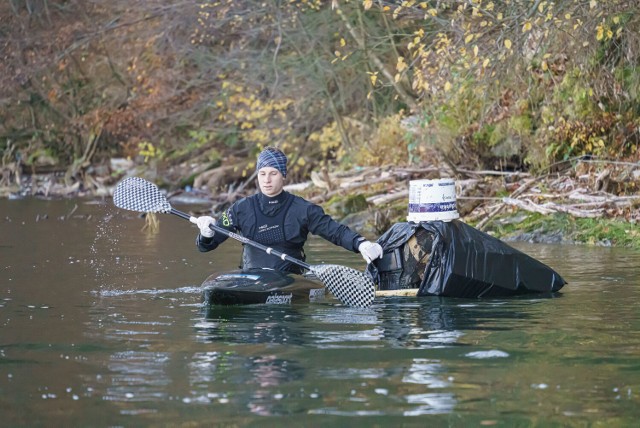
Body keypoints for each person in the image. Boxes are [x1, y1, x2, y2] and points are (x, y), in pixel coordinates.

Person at [194, 146, 383, 274]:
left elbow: (335, 231)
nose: (267, 180)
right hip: (250, 280)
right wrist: (206, 233)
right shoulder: (240, 209)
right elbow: (206, 246)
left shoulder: (303, 209)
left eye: (273, 173)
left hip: (290, 281)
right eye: (262, 174)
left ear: (283, 175)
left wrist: (361, 244)